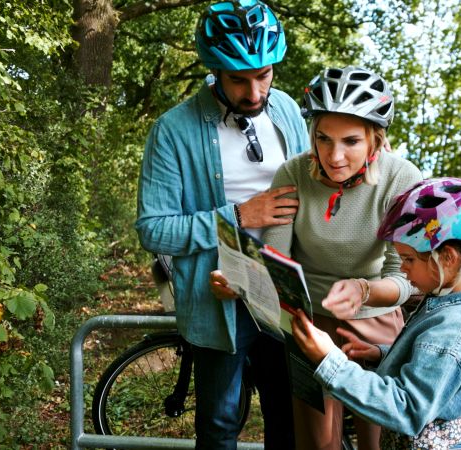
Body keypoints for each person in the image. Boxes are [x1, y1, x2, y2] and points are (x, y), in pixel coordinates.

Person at [134, 1, 308, 448]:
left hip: (283, 288)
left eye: (263, 75)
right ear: (213, 69)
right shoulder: (173, 130)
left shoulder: (287, 109)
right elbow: (154, 229)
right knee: (219, 425)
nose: (254, 92)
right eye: (238, 79)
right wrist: (238, 217)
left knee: (288, 418)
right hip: (218, 297)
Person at [262, 66, 423, 450]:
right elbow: (275, 256)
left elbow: (404, 276)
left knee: (377, 440)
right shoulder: (293, 173)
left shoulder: (402, 179)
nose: (334, 156)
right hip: (309, 320)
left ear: (376, 140)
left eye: (351, 141)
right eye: (323, 139)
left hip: (376, 317)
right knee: (317, 443)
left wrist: (363, 291)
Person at [290, 177, 461, 450]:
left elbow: (407, 409)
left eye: (408, 259)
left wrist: (330, 361)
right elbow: (430, 366)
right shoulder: (445, 303)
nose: (403, 269)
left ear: (448, 258)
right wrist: (381, 354)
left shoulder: (454, 327)